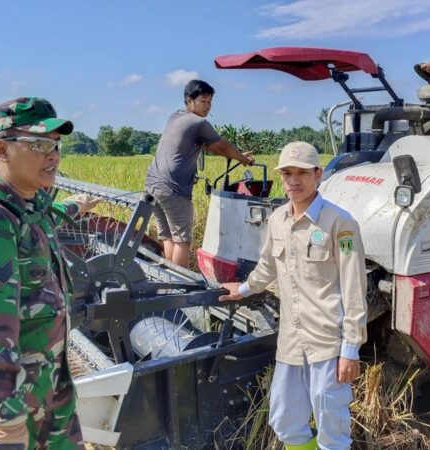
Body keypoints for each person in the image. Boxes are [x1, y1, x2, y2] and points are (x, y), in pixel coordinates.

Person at [0, 97, 100, 450]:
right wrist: (7, 423)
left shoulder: (27, 204)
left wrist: (78, 204)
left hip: (46, 391)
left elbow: (45, 217)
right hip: (0, 406)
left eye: (56, 144)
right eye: (40, 144)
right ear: (2, 150)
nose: (53, 154)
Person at [220, 142, 367, 450]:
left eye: (302, 173)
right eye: (287, 173)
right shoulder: (277, 221)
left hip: (328, 341)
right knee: (285, 420)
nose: (293, 181)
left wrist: (350, 349)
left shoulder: (340, 224)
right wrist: (243, 289)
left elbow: (355, 288)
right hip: (291, 341)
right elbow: (267, 266)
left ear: (318, 174)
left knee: (332, 429)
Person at [145, 79, 254, 268]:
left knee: (168, 237)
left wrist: (235, 156)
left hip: (152, 185)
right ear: (189, 100)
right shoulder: (198, 123)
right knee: (182, 240)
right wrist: (243, 159)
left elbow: (209, 146)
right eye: (203, 101)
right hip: (173, 189)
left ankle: (169, 282)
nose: (208, 106)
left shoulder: (175, 116)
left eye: (210, 102)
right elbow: (220, 145)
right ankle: (180, 287)